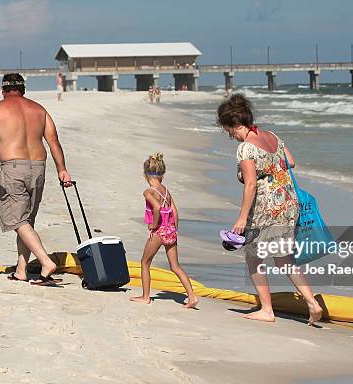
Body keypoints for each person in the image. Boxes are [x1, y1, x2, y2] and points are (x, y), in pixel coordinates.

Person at [217, 94, 323, 324]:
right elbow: (291, 162)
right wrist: (270, 167)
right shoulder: (273, 136)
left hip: (266, 208)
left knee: (254, 257)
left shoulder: (246, 149)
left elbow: (251, 184)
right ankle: (312, 302)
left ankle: (267, 310)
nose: (230, 135)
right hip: (288, 204)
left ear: (236, 123)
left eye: (229, 130)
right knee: (284, 258)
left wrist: (242, 218)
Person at [0, 73, 73, 286]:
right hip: (39, 168)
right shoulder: (39, 109)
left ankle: (45, 261)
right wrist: (62, 169)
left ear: (3, 91)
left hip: (13, 168)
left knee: (17, 220)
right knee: (26, 221)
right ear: (23, 89)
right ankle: (21, 270)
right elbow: (53, 140)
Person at [130, 153, 198, 309]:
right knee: (175, 266)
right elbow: (174, 211)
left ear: (145, 174)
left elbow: (157, 208)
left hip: (159, 231)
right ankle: (192, 296)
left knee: (145, 262)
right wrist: (174, 229)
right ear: (163, 174)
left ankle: (146, 296)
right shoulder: (166, 191)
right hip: (170, 230)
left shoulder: (149, 192)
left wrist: (153, 225)